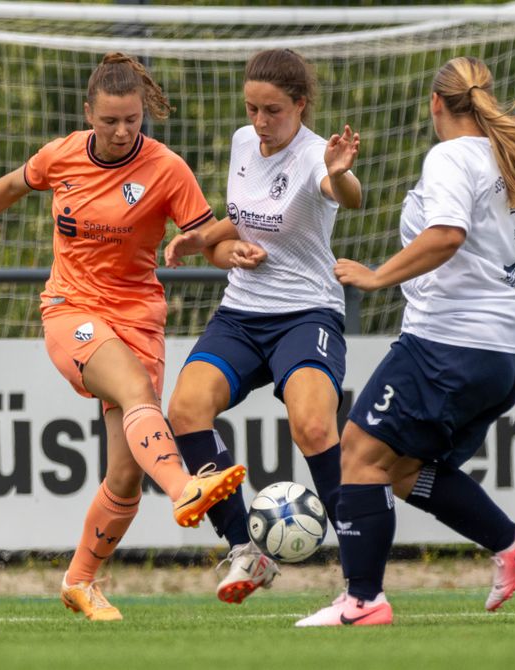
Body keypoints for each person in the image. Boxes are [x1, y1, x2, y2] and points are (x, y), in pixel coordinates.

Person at [0, 52, 247, 622]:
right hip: (73, 310)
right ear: (88, 113)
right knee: (139, 393)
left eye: (133, 121)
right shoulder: (62, 155)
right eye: (110, 121)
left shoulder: (168, 169)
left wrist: (230, 251)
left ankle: (79, 581)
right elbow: (8, 187)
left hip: (139, 316)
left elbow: (208, 238)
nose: (122, 132)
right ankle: (186, 489)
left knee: (124, 474)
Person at [295, 56, 515, 627]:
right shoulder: (514, 162)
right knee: (402, 467)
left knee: (359, 453)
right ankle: (511, 543)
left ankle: (362, 602)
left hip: (448, 344)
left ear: (436, 104)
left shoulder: (450, 156)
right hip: (508, 355)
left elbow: (446, 235)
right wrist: (501, 312)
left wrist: (377, 275)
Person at [163, 48, 362, 604]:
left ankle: (359, 572)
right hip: (243, 312)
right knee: (184, 411)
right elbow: (246, 213)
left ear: (300, 105)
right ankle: (245, 549)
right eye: (252, 108)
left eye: (273, 110)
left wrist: (341, 174)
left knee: (314, 427)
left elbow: (348, 195)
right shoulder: (241, 143)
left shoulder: (316, 156)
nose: (260, 122)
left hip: (306, 312)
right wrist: (206, 239)